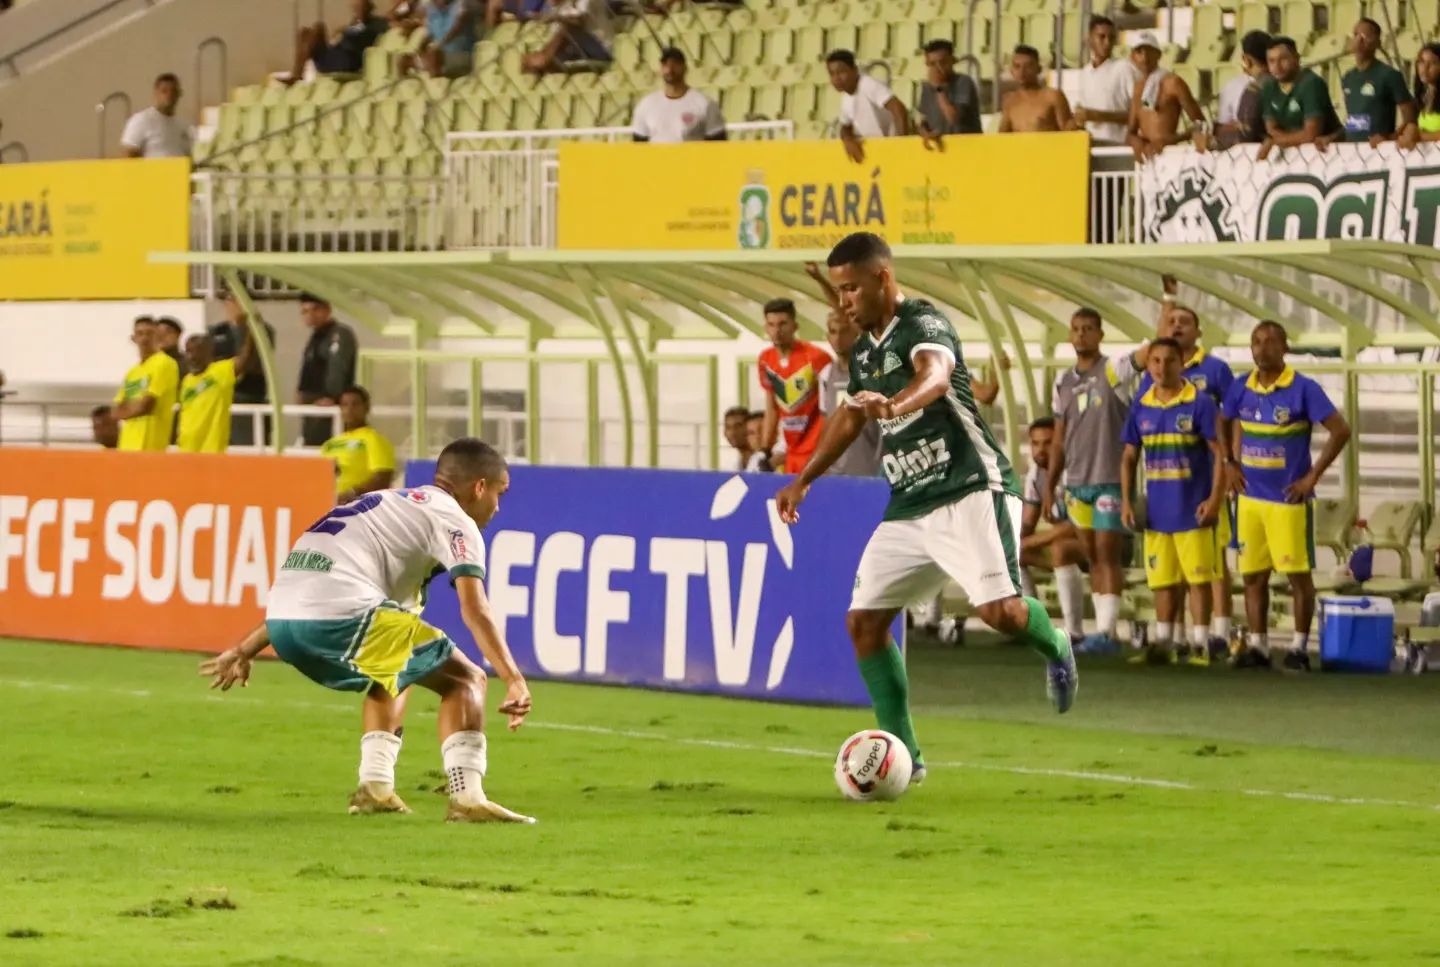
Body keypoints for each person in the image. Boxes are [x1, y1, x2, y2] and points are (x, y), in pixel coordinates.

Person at [775, 232, 1079, 785]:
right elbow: (850, 416)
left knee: (1001, 614)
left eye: (851, 289)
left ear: (882, 279)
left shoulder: (924, 324)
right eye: (838, 291)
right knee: (863, 623)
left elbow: (935, 377)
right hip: (911, 501)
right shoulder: (864, 350)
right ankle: (907, 758)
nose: (843, 301)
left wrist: (895, 403)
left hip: (970, 488)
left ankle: (1056, 643)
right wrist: (804, 480)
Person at [200, 438, 536, 824]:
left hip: (280, 620)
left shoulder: (390, 504)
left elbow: (313, 589)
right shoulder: (454, 519)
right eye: (499, 493)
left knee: (398, 669)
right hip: (337, 611)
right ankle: (468, 798)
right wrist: (513, 678)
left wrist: (244, 649)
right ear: (479, 487)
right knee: (466, 679)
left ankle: (375, 787)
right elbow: (475, 608)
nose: (497, 505)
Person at [1224, 321, 1351, 671]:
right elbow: (1224, 419)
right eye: (1256, 341)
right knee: (1252, 576)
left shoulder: (1303, 388)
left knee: (1297, 576)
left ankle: (1298, 648)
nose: (1262, 348)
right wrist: (1229, 462)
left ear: (1285, 348)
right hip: (1249, 500)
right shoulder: (1240, 386)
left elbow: (1341, 430)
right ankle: (1259, 647)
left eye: (1270, 342)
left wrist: (1312, 477)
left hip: (1288, 501)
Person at [1136, 278, 1237, 656]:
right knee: (1172, 566)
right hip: (1166, 488)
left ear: (1198, 331)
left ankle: (1219, 634)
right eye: (1171, 321)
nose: (1176, 326)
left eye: (1184, 322)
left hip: (1206, 481)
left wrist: (1230, 468)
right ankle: (1173, 636)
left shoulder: (1216, 370)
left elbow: (1232, 421)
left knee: (1212, 562)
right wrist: (1168, 298)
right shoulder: (1156, 371)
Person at [1042, 308, 1148, 654]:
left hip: (1109, 480)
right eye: (1076, 329)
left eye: (1089, 329)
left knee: (1106, 553)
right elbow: (1059, 439)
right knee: (1090, 554)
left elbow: (1150, 352)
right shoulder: (1063, 383)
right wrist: (1050, 485)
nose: (1081, 334)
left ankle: (1105, 632)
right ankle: (1092, 631)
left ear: (1100, 335)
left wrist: (1167, 304)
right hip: (1077, 484)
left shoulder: (1114, 370)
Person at [1120, 338, 1227, 665]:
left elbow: (1221, 455)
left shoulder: (1201, 403)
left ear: (1181, 363)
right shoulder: (1141, 406)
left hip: (1193, 509)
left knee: (1198, 579)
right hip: (1156, 512)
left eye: (1169, 361)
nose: (1161, 368)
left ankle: (1200, 644)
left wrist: (1214, 500)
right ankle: (1164, 643)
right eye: (1155, 361)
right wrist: (1126, 501)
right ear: (1149, 364)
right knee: (1163, 581)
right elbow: (1128, 457)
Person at [1019, 417, 1086, 647]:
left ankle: (1074, 635)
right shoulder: (1035, 475)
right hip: (1069, 545)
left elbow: (1076, 526)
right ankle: (1032, 627)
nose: (1041, 450)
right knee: (1011, 553)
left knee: (1060, 550)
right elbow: (1027, 522)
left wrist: (1029, 542)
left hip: (1099, 546)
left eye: (1048, 443)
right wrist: (1012, 542)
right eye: (1035, 443)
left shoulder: (1076, 469)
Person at [757, 298, 832, 475]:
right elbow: (772, 408)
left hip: (817, 451)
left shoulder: (817, 358)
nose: (777, 330)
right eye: (772, 324)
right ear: (766, 328)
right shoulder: (765, 360)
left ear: (795, 326)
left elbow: (831, 407)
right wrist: (765, 448)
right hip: (791, 452)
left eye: (783, 324)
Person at [1125, 31, 1210, 159]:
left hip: (1170, 156)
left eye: (1149, 51)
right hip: (1146, 158)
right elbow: (1130, 132)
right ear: (1132, 57)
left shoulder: (1173, 82)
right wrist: (1137, 142)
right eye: (1139, 52)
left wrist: (1170, 141)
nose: (1145, 57)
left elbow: (1200, 123)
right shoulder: (1138, 88)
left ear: (1158, 55)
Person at [1257, 36, 1342, 161]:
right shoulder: (1269, 87)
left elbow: (1311, 134)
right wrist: (1287, 139)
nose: (1277, 66)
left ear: (1296, 58)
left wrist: (1275, 141)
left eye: (1283, 59)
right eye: (1272, 61)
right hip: (1295, 157)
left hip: (1328, 154)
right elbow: (1271, 128)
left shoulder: (1311, 83)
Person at [211, 289, 276, 448]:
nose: (231, 305)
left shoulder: (263, 330)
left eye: (236, 300)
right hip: (221, 398)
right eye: (229, 300)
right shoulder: (216, 331)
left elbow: (254, 364)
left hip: (250, 395)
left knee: (247, 447)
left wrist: (247, 326)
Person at [1340, 18, 1415, 146]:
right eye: (1356, 35)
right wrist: (1331, 137)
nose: (1359, 40)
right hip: (1352, 151)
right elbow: (1354, 119)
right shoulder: (1348, 77)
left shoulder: (1390, 75)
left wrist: (1390, 138)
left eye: (1365, 36)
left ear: (1378, 43)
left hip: (1380, 152)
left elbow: (1410, 117)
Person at [296, 293, 359, 447]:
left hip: (327, 408)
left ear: (327, 309)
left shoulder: (338, 335)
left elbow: (338, 368)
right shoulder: (316, 336)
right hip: (312, 407)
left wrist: (331, 396)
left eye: (315, 309)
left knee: (325, 450)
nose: (310, 315)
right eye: (305, 311)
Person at [827, 49, 909, 164]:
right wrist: (848, 140)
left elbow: (898, 108)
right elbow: (845, 126)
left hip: (891, 149)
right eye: (832, 74)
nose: (836, 78)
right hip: (876, 151)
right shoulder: (846, 97)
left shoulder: (868, 85)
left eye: (841, 72)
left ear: (854, 70)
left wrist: (901, 144)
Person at [111, 316, 179, 452]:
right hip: (127, 444)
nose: (145, 338)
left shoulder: (164, 363)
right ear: (133, 338)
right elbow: (117, 411)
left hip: (151, 445)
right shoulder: (132, 372)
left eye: (150, 333)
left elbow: (147, 405)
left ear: (158, 337)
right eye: (140, 333)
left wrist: (131, 407)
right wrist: (136, 406)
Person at [632, 47, 726, 143]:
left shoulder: (705, 103)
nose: (670, 69)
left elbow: (718, 144)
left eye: (675, 64)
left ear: (685, 68)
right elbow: (638, 145)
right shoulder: (646, 104)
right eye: (665, 65)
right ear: (661, 69)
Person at [1072, 16, 1140, 145]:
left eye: (1111, 38)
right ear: (1090, 39)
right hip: (1092, 144)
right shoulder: (1086, 72)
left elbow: (1141, 111)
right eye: (1101, 37)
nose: (1107, 42)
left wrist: (1098, 116)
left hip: (1119, 144)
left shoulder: (1124, 67)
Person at [324, 386, 397, 503]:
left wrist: (352, 493)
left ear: (366, 407)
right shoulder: (329, 444)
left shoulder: (374, 439)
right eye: (344, 405)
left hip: (359, 507)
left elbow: (383, 477)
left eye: (355, 404)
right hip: (329, 506)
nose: (349, 409)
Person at [289, 0, 389, 83]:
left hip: (348, 60)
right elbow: (346, 32)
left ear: (368, 8)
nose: (357, 12)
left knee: (319, 27)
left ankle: (297, 74)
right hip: (334, 55)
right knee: (307, 31)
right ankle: (297, 73)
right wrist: (342, 30)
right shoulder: (354, 24)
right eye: (355, 8)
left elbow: (391, 22)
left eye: (360, 7)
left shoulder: (377, 23)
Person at [916, 39, 982, 144]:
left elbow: (953, 118)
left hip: (965, 146)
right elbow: (923, 119)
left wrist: (939, 88)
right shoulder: (927, 87)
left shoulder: (963, 82)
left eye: (942, 62)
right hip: (940, 147)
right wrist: (925, 132)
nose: (938, 68)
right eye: (932, 64)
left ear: (952, 60)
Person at [522, 0, 614, 75]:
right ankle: (543, 61)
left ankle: (544, 58)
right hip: (576, 50)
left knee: (569, 27)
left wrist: (556, 18)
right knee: (534, 66)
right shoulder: (560, 8)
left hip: (600, 49)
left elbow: (579, 20)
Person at [1216, 30, 1271, 149]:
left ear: (1246, 59)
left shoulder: (1240, 88)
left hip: (1247, 154)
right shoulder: (1288, 82)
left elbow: (1225, 129)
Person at [999, 45, 1073, 133]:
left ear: (1039, 69)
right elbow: (1002, 136)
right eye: (1017, 66)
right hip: (1019, 146)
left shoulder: (1053, 96)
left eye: (1028, 66)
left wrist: (1077, 122)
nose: (1022, 71)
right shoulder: (1010, 101)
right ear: (1011, 71)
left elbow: (1069, 132)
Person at [121, 73, 192, 159]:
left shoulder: (183, 125)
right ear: (156, 93)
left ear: (179, 94)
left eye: (173, 91)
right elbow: (129, 154)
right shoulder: (141, 120)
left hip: (178, 171)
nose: (169, 95)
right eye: (164, 91)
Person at [417, 0, 476, 77]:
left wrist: (438, 46)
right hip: (441, 56)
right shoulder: (432, 10)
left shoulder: (462, 5)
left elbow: (457, 27)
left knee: (434, 55)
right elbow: (430, 34)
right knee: (404, 60)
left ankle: (435, 74)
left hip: (462, 56)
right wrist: (421, 47)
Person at [1399, 43, 1440, 148]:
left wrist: (1419, 137)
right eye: (1421, 62)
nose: (1425, 68)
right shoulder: (1422, 97)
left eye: (1433, 62)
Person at [723, 405, 754, 471]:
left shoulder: (766, 461)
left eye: (738, 426)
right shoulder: (732, 466)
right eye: (728, 427)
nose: (732, 433)